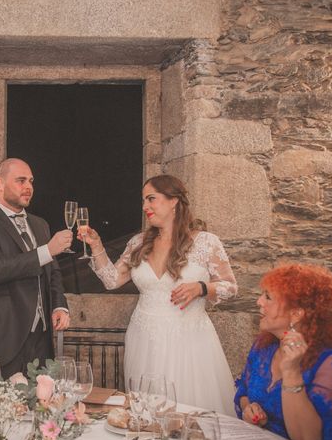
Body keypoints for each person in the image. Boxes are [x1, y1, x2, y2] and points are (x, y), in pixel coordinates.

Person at [79, 174, 238, 415]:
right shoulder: (138, 243)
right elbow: (112, 280)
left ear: (173, 200)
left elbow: (230, 287)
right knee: (147, 411)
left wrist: (201, 288)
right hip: (144, 339)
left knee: (191, 412)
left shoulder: (206, 242)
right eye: (143, 200)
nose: (145, 207)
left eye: (151, 199)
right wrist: (97, 246)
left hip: (189, 342)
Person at [0, 158, 72, 378]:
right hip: (2, 339)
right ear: (0, 183)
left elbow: (53, 272)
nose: (29, 187)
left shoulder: (40, 224)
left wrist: (59, 306)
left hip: (41, 341)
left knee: (41, 408)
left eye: (31, 181)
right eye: (21, 180)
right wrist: (47, 250)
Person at [235, 263, 332, 440]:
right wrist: (249, 410)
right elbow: (243, 390)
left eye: (268, 297)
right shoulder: (263, 346)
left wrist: (292, 372)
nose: (259, 302)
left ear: (295, 314)